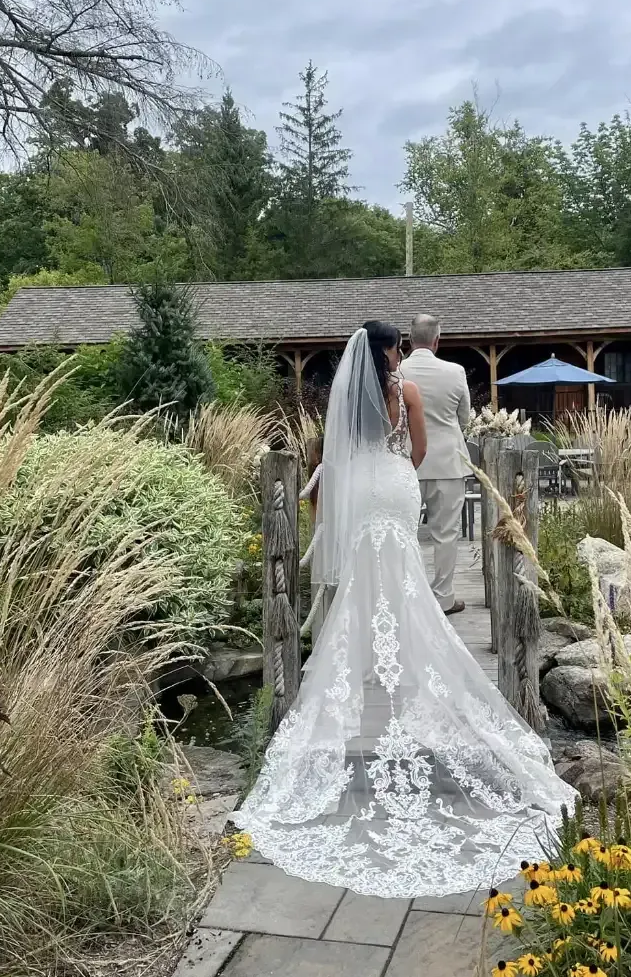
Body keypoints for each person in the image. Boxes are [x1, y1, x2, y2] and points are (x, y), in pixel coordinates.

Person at [235, 320, 576, 899]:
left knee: (364, 573)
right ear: (392, 351)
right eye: (396, 347)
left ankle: (366, 658)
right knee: (406, 573)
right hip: (395, 483)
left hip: (362, 483)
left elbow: (333, 452)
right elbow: (417, 451)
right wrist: (397, 463)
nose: (398, 354)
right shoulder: (407, 394)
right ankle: (408, 655)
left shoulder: (346, 402)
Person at [400, 313, 471, 616]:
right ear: (437, 340)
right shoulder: (455, 371)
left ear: (409, 338)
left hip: (406, 462)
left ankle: (407, 593)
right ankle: (443, 596)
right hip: (447, 464)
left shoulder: (397, 370)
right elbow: (464, 418)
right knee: (446, 533)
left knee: (404, 532)